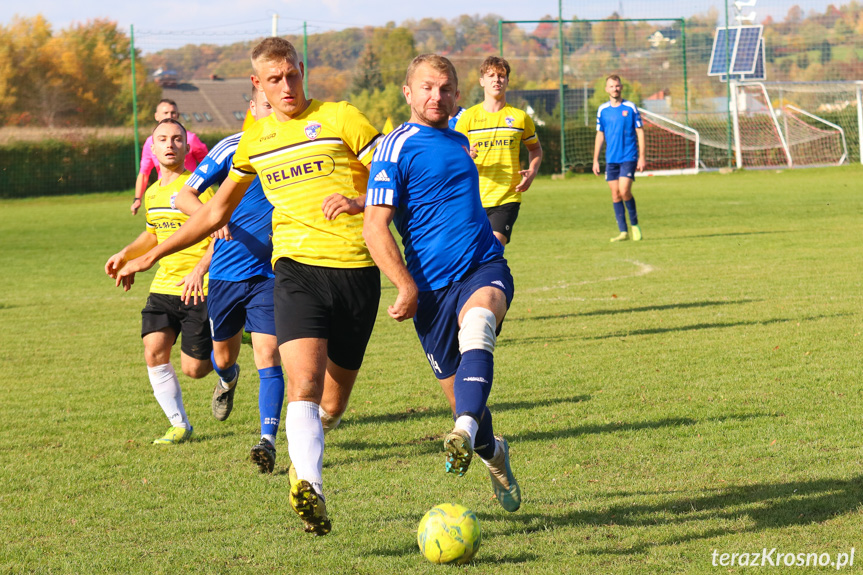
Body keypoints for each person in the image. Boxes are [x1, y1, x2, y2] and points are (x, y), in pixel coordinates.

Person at [114, 37, 382, 536]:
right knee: (298, 381)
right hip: (294, 272)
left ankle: (310, 451)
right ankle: (312, 489)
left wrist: (357, 199)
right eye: (274, 79)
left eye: (293, 75)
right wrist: (150, 254)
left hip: (355, 272)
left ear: (303, 70)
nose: (287, 87)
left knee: (331, 404)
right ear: (257, 84)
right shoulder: (253, 142)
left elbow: (394, 179)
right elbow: (213, 210)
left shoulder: (343, 117)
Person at [364, 54, 521, 513]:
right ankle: (492, 450)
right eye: (427, 87)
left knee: (479, 327)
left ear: (457, 94)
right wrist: (405, 286)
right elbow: (377, 226)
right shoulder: (394, 146)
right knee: (464, 398)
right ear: (408, 93)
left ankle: (466, 433)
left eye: (446, 88)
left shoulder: (458, 138)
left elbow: (436, 191)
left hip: (482, 266)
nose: (438, 96)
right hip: (429, 291)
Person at [174, 86, 285, 473]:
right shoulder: (232, 148)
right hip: (226, 275)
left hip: (271, 274)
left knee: (269, 355)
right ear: (253, 108)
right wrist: (211, 219)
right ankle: (227, 378)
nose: (273, 112)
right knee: (224, 357)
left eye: (278, 105)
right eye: (265, 105)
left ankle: (267, 440)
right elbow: (185, 197)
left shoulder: (293, 149)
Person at [105, 118, 215, 444]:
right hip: (164, 285)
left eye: (177, 139)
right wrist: (125, 254)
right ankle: (179, 424)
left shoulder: (199, 188)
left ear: (186, 147)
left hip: (200, 286)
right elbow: (154, 232)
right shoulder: (152, 193)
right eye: (163, 139)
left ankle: (229, 348)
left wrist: (201, 270)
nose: (170, 145)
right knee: (153, 349)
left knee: (195, 369)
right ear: (152, 149)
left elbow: (219, 233)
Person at [454, 56, 542, 248]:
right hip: (472, 199)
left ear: (507, 81)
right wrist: (465, 156)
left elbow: (535, 149)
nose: (496, 80)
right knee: (470, 254)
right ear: (482, 81)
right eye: (491, 75)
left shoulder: (520, 118)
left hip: (506, 197)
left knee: (492, 250)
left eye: (501, 76)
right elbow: (453, 154)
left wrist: (533, 171)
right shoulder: (468, 118)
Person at [131, 99, 209, 215]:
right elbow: (144, 173)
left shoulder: (190, 139)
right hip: (163, 194)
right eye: (166, 113)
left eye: (173, 113)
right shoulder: (150, 143)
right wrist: (137, 198)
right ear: (156, 116)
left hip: (190, 193)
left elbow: (208, 165)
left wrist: (205, 186)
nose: (170, 116)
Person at [592, 74, 645, 242]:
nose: (615, 89)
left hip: (629, 156)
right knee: (615, 194)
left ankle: (635, 225)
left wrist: (642, 157)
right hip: (611, 159)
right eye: (611, 86)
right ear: (606, 89)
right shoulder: (602, 110)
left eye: (617, 86)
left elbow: (640, 132)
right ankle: (623, 232)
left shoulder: (630, 108)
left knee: (624, 191)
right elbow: (600, 135)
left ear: (621, 87)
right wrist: (595, 160)